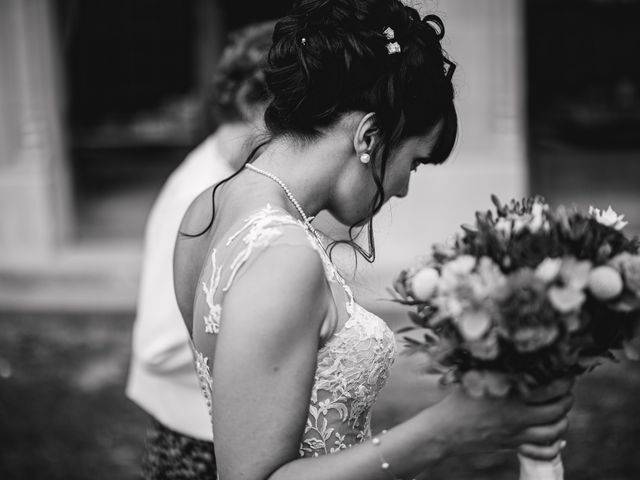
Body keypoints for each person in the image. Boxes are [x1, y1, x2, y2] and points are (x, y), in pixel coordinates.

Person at [173, 1, 574, 479]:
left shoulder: (208, 209)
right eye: (415, 161)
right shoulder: (284, 258)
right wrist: (444, 432)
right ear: (368, 135)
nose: (403, 186)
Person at [126, 21, 274, 479]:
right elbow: (158, 346)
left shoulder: (234, 181)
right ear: (252, 103)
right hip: (197, 442)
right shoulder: (198, 195)